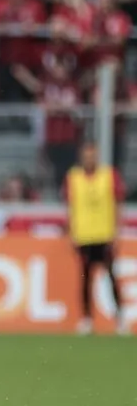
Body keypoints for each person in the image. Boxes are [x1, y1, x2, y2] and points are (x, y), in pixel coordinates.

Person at [64, 141, 128, 335]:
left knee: (111, 277)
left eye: (92, 155)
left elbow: (117, 204)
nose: (89, 159)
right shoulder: (73, 177)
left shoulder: (108, 175)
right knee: (85, 278)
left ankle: (120, 319)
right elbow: (70, 206)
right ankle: (86, 319)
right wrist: (71, 233)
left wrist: (117, 231)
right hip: (83, 235)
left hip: (104, 234)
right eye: (86, 155)